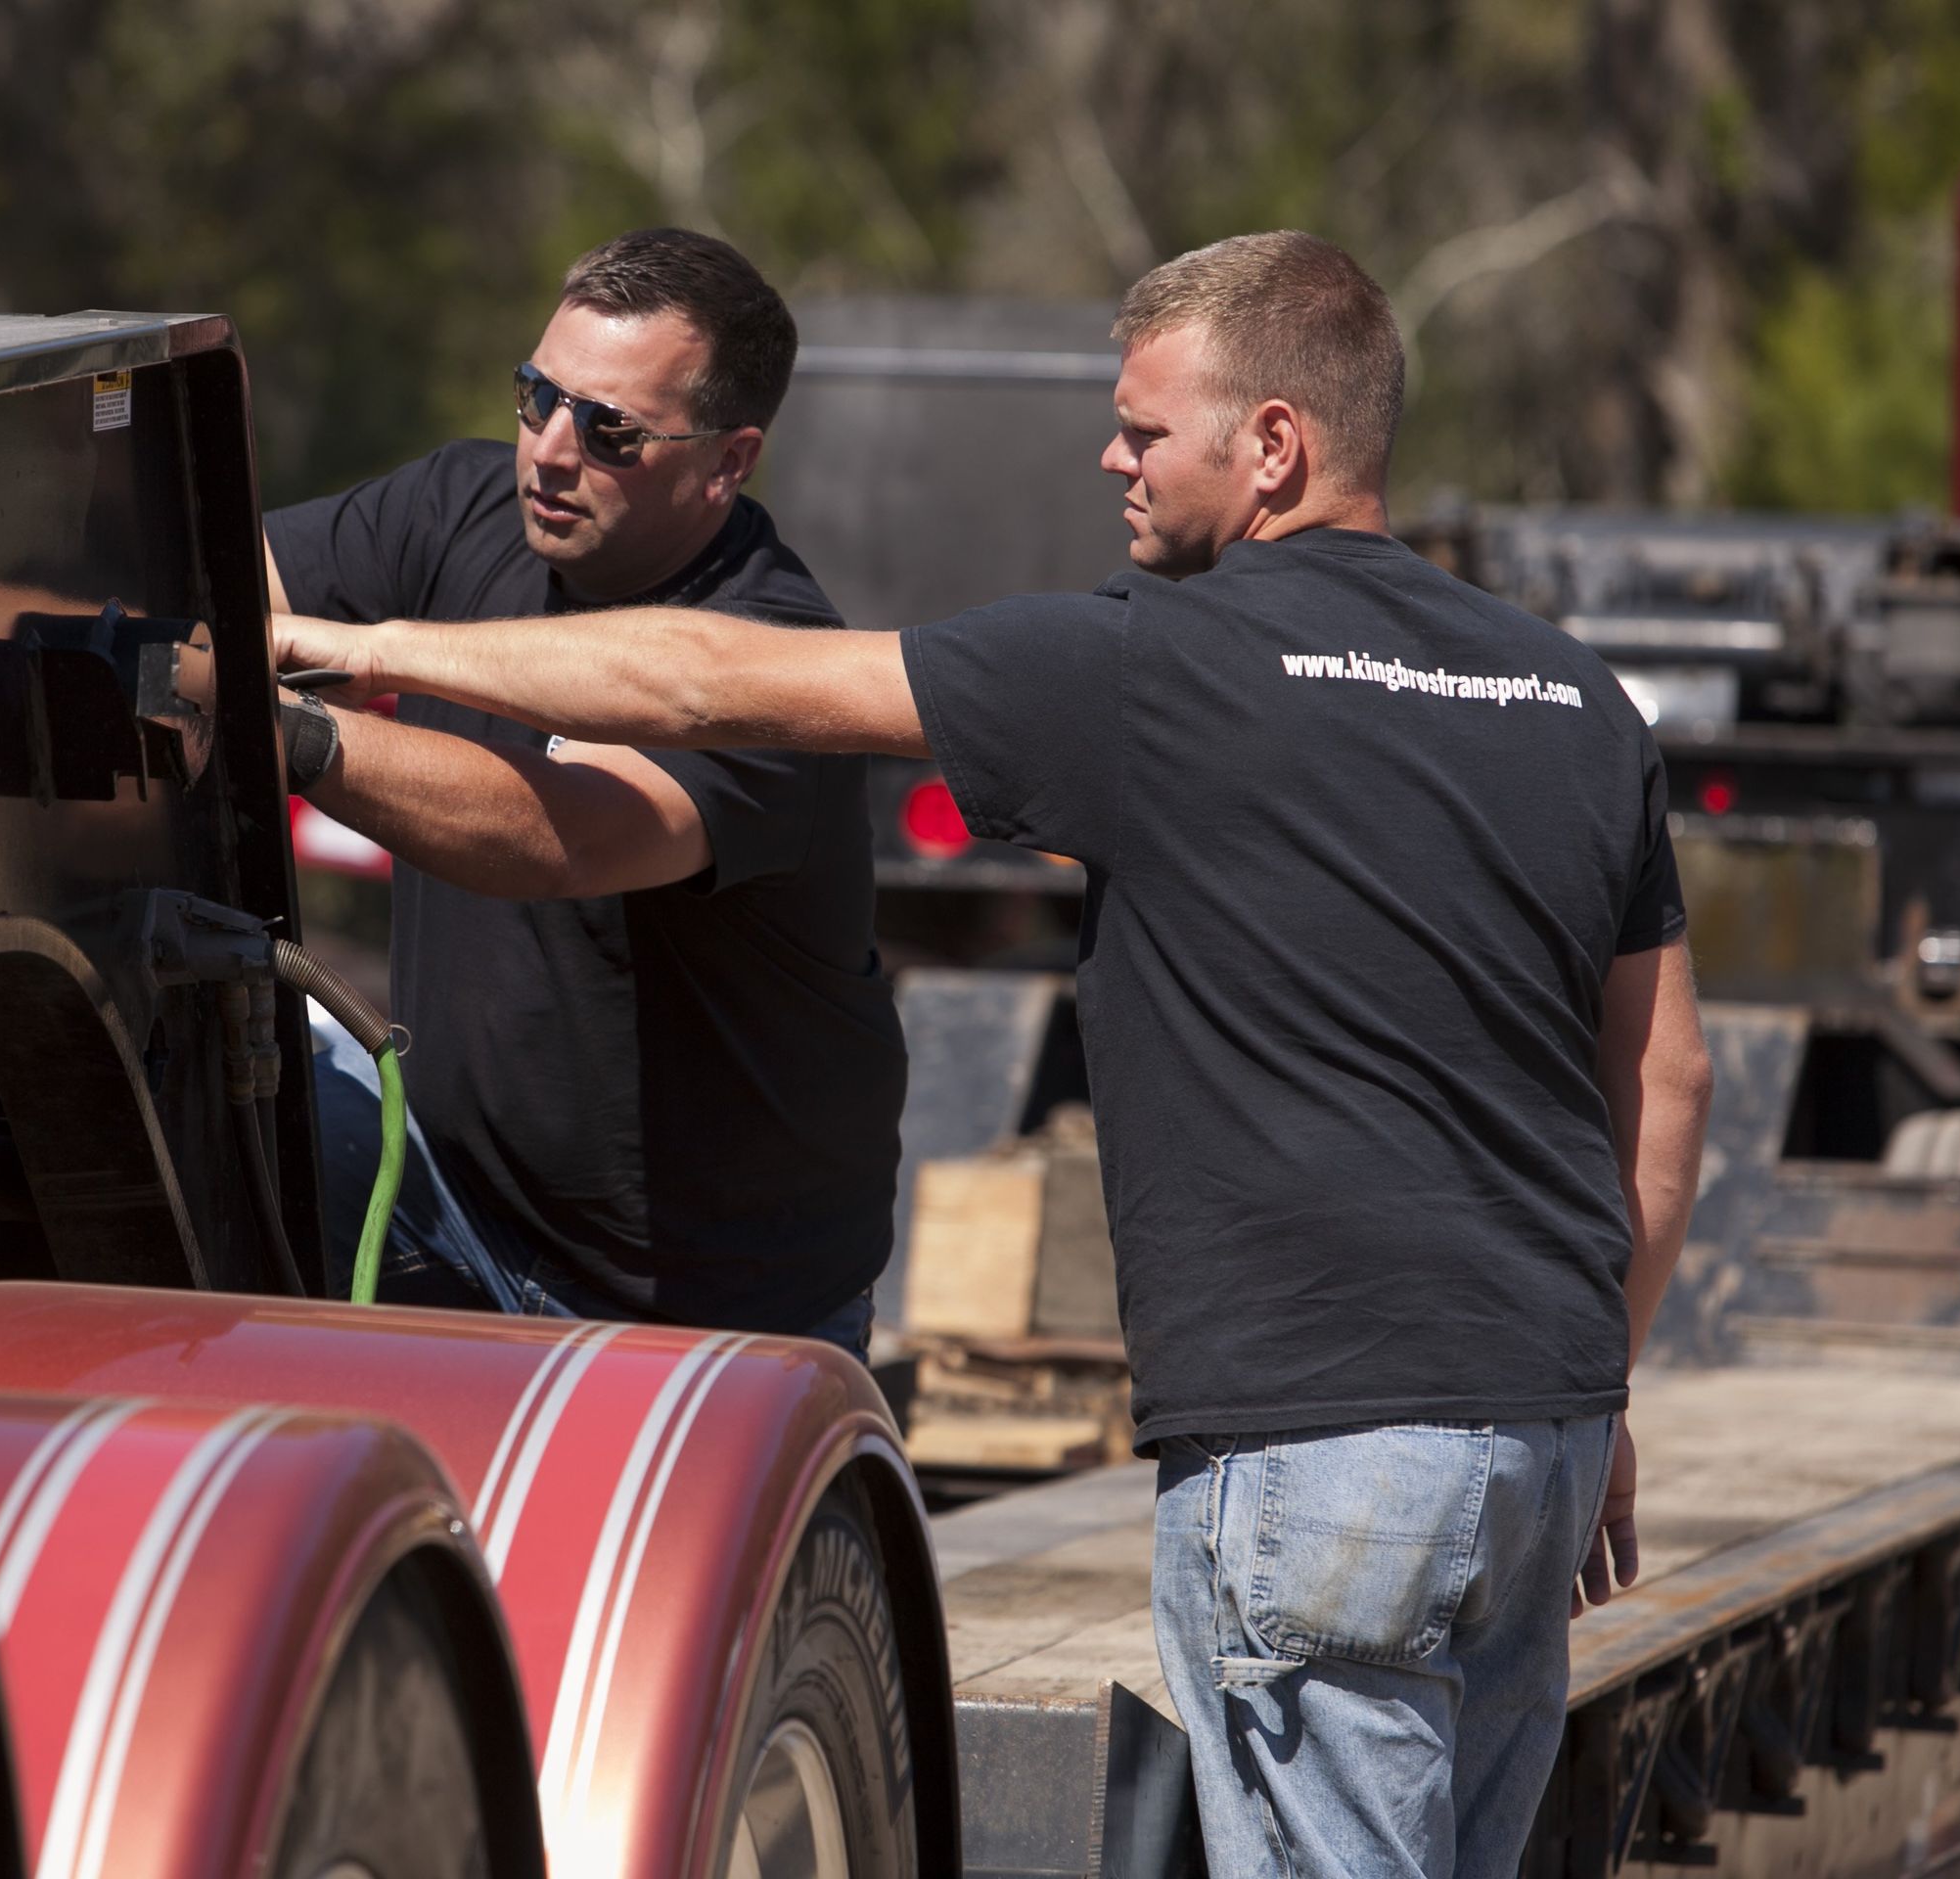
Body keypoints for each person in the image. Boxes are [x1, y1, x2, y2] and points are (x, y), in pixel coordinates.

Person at [275, 230, 1715, 1877]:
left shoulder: (1157, 664)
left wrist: (355, 653)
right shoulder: (1574, 701)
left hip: (1320, 1452)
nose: (1111, 458)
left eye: (1144, 429)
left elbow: (707, 678)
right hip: (1541, 1434)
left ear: (1273, 446)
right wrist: (1598, 1382)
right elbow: (1666, 1080)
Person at [263, 227, 905, 1358]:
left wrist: (290, 734)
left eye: (612, 432)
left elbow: (555, 835)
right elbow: (214, 586)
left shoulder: (773, 656)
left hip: (698, 1307)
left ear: (729, 461)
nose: (550, 452)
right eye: (536, 397)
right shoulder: (461, 503)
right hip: (450, 1203)